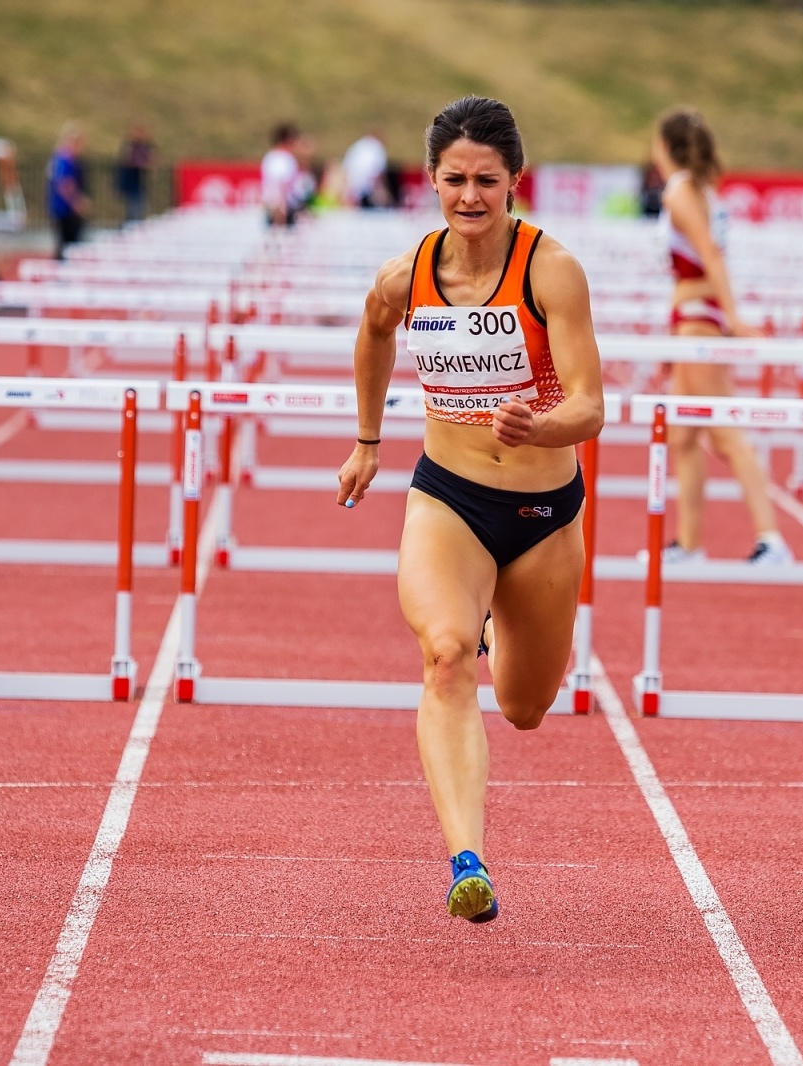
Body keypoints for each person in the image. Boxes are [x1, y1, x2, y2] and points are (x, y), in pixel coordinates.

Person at [336, 96, 604, 924]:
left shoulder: (550, 270)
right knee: (445, 655)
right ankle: (467, 861)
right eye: (455, 179)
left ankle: (494, 617)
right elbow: (374, 330)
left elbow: (591, 406)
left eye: (487, 180)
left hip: (542, 513)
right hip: (448, 498)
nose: (470, 196)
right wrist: (368, 441)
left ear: (515, 181)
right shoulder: (409, 274)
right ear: (431, 180)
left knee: (524, 707)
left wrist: (541, 424)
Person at [651, 107, 792, 567]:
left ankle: (771, 539)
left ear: (665, 147)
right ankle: (689, 544)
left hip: (698, 319)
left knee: (726, 434)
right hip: (691, 318)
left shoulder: (680, 191)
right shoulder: (701, 190)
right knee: (682, 436)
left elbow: (710, 255)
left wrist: (733, 318)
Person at [46, 120, 89, 259]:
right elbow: (64, 184)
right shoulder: (64, 159)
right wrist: (77, 202)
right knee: (67, 246)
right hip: (64, 210)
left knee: (66, 244)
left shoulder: (63, 159)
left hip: (62, 209)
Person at [260, 123, 301, 227]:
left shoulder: (272, 156)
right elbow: (279, 185)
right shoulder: (282, 159)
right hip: (281, 212)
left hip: (276, 209)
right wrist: (281, 214)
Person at [114, 121, 153, 225]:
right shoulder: (131, 147)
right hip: (131, 184)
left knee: (137, 211)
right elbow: (130, 161)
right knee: (133, 212)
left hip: (138, 184)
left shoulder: (143, 146)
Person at [342, 127, 390, 208]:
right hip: (366, 187)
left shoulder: (358, 145)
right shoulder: (377, 148)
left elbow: (346, 166)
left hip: (351, 184)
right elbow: (379, 174)